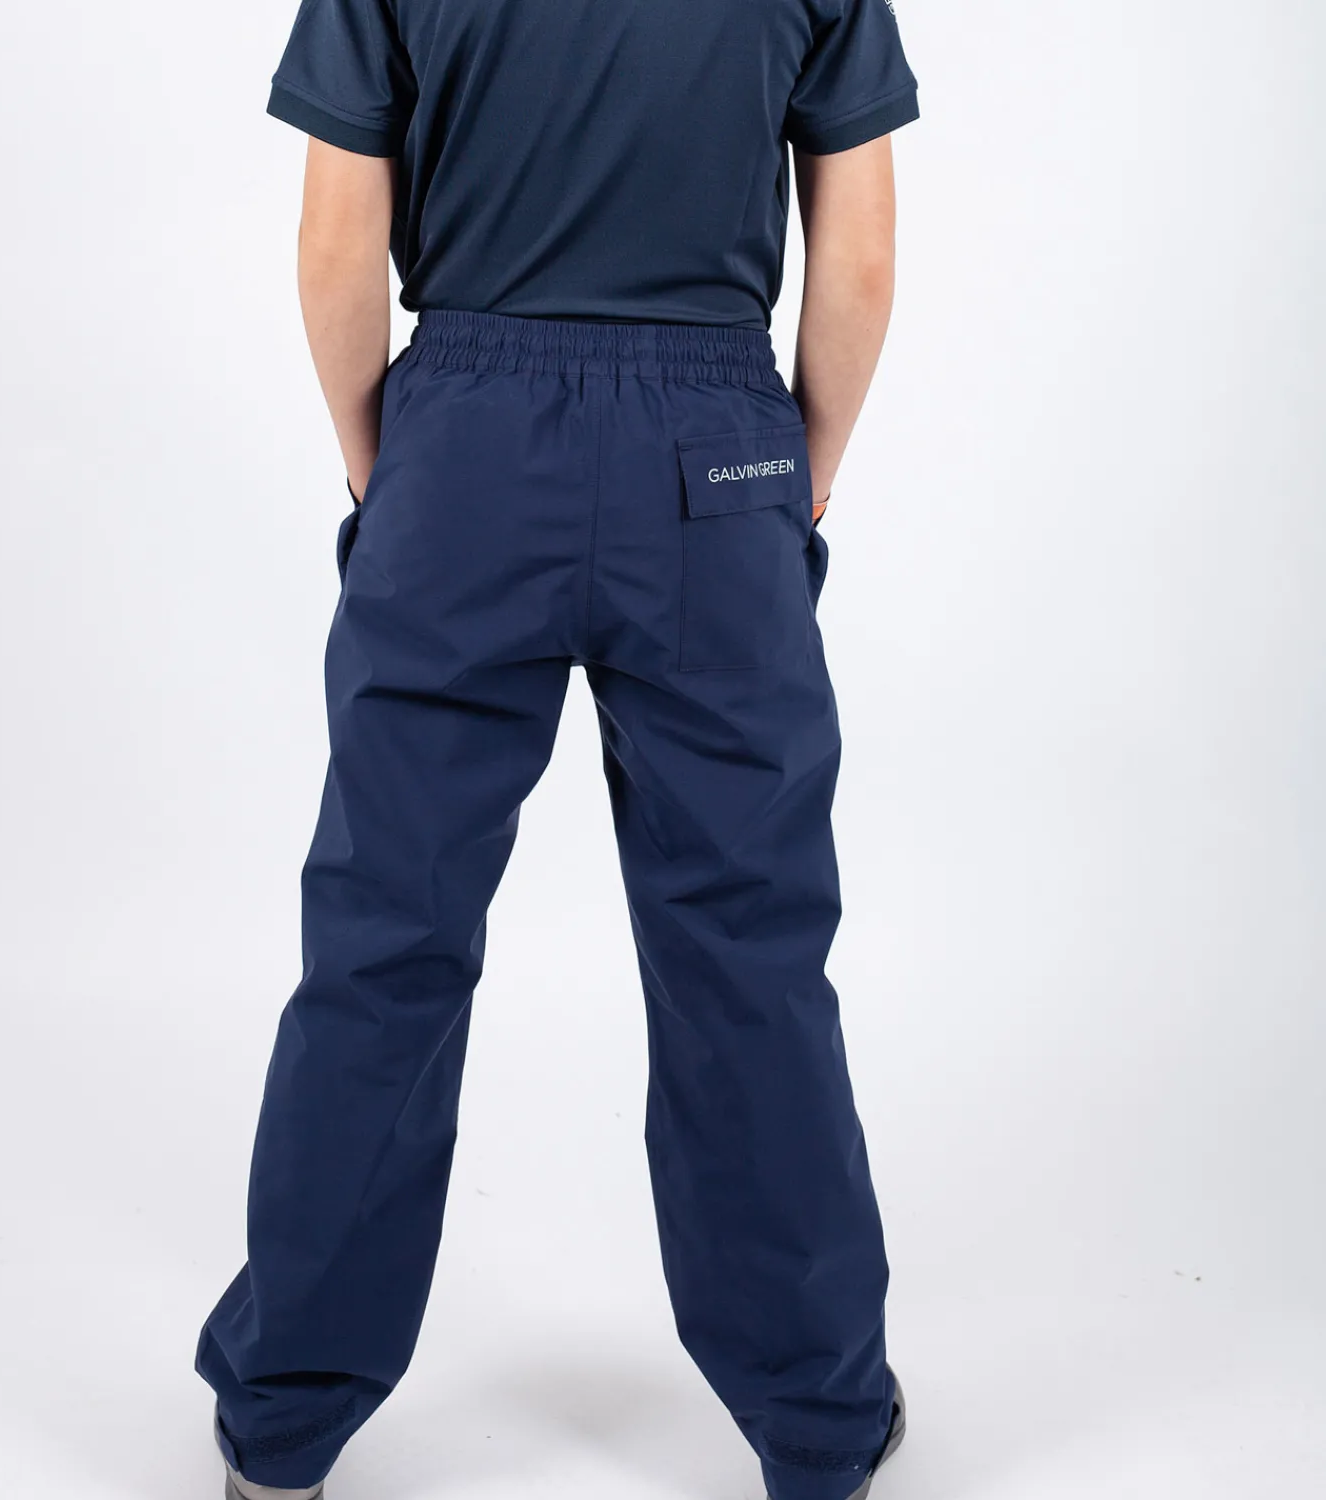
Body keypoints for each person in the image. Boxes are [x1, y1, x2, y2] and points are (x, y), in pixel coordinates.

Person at [195, 1, 919, 1497]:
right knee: (749, 953)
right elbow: (856, 258)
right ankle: (820, 1425)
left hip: (462, 439)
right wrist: (800, 477)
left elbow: (335, 246)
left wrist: (389, 466)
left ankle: (283, 1426)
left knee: (385, 941)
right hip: (716, 447)